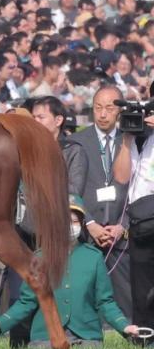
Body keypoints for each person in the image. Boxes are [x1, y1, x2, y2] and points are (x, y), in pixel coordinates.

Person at [0, 197, 141, 348]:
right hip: (46, 341)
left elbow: (105, 302)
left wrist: (125, 327)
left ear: (83, 224)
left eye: (74, 221)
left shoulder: (94, 257)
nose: (70, 226)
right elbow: (26, 302)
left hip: (87, 340)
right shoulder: (38, 258)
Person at [65, 85, 131, 317]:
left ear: (120, 111)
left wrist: (123, 226)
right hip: (86, 232)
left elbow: (140, 189)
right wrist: (89, 223)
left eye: (109, 108)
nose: (102, 114)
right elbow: (68, 189)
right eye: (98, 108)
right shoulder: (76, 142)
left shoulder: (132, 139)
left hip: (122, 236)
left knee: (127, 299)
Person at [112, 106, 154, 335]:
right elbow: (121, 177)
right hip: (142, 222)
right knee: (142, 288)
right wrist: (127, 141)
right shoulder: (140, 138)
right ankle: (146, 335)